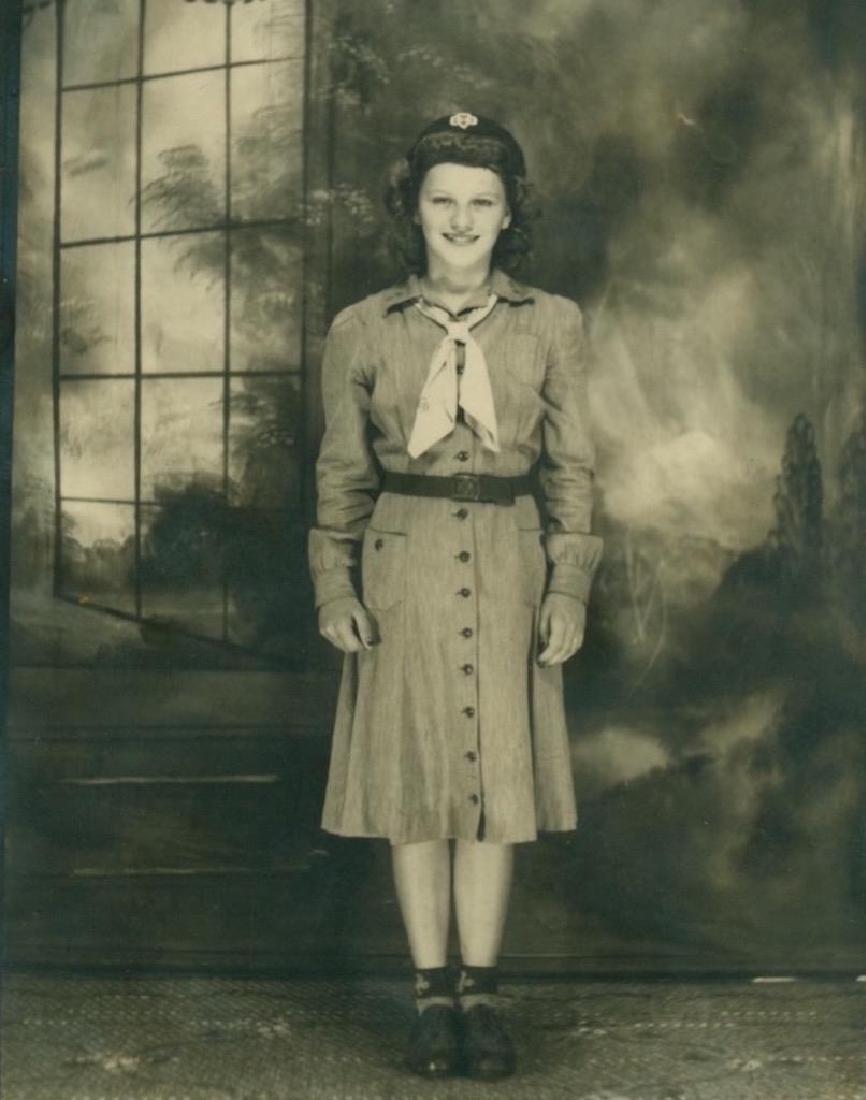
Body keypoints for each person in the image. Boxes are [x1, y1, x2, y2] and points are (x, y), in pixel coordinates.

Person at [308, 111, 603, 1080]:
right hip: (404, 566)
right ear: (415, 210)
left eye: (481, 201)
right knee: (418, 791)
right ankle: (429, 995)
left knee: (491, 787)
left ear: (508, 212)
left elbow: (570, 471)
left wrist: (568, 584)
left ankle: (483, 992)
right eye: (443, 200)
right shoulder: (361, 329)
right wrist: (332, 585)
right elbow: (341, 477)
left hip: (514, 564)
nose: (461, 219)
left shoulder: (551, 323)